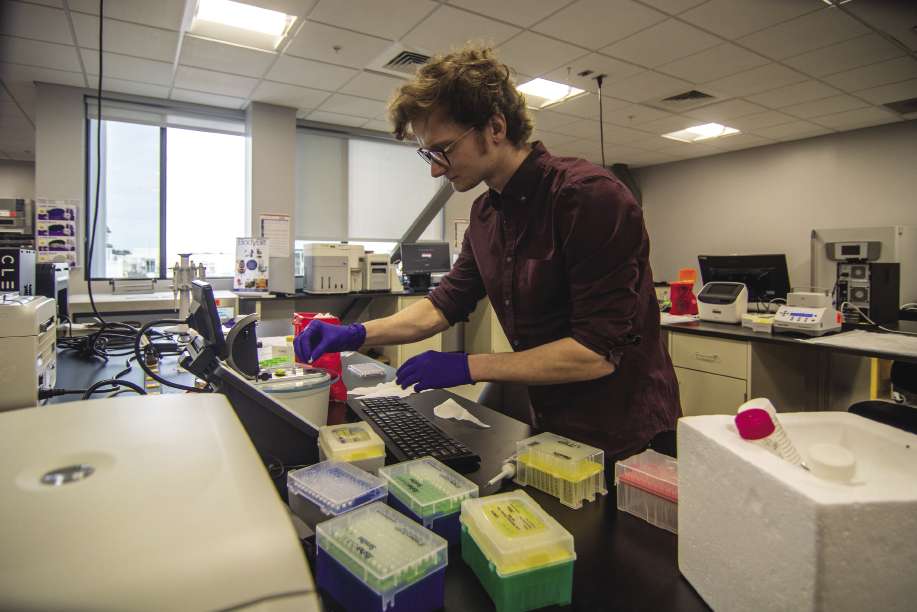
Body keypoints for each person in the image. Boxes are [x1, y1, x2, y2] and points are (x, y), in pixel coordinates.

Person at [294, 45, 680, 463]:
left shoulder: (587, 198)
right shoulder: (486, 214)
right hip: (552, 417)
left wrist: (468, 365)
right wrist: (356, 335)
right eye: (429, 153)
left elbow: (595, 354)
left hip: (625, 433)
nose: (435, 169)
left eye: (444, 149)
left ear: (495, 128)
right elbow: (444, 304)